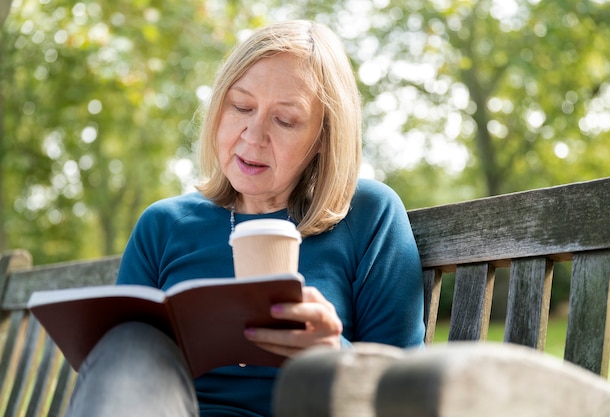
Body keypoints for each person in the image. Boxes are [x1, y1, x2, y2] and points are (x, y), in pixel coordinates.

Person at [64, 19, 425, 417]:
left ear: (323, 137)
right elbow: (118, 377)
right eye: (241, 106)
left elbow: (406, 396)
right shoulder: (163, 225)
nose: (253, 137)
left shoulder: (369, 215)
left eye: (285, 120)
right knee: (128, 341)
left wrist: (332, 353)